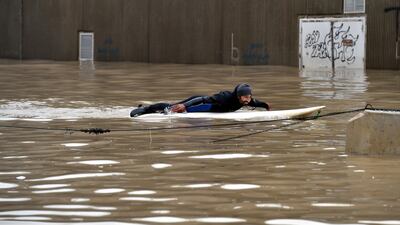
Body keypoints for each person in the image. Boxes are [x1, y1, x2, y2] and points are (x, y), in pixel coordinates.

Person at [130, 83, 270, 117]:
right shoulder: (225, 97)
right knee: (172, 108)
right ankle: (145, 109)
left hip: (212, 111)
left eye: (249, 97)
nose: (248, 100)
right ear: (239, 96)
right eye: (245, 97)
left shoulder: (248, 101)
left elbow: (257, 102)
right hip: (202, 105)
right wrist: (184, 105)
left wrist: (266, 106)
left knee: (174, 108)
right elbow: (202, 98)